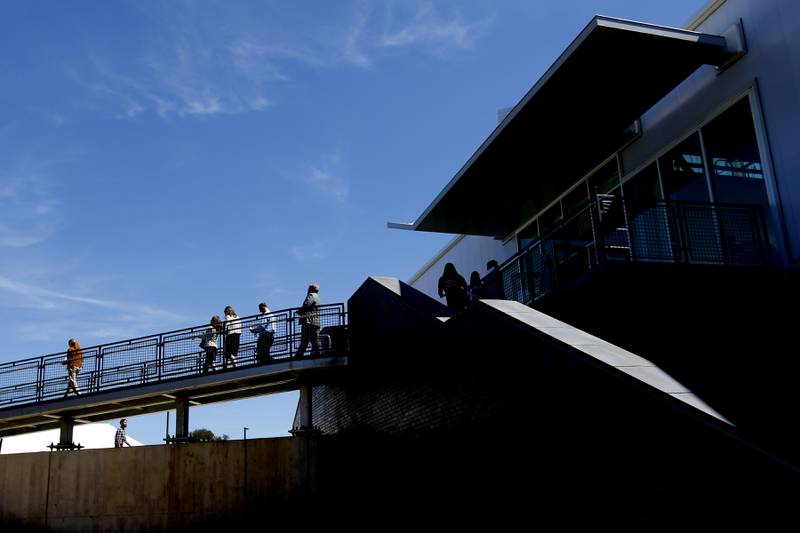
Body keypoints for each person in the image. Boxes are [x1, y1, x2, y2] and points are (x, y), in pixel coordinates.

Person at [294, 283, 321, 358]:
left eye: (308, 288)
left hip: (308, 320)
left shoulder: (311, 295)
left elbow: (306, 305)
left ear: (311, 289)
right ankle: (317, 352)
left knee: (305, 338)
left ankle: (299, 354)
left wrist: (299, 312)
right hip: (316, 321)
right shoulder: (317, 297)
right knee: (314, 338)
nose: (307, 290)